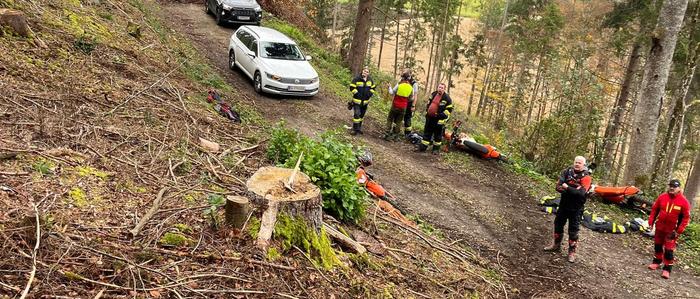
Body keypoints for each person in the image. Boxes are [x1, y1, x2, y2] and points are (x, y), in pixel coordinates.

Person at [544, 156, 592, 263]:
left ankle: (572, 252)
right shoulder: (567, 172)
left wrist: (567, 188)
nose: (577, 164)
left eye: (579, 163)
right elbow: (558, 187)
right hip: (563, 205)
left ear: (584, 165)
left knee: (573, 231)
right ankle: (556, 245)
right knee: (558, 224)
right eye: (576, 162)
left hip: (576, 208)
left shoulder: (586, 177)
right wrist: (573, 190)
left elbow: (581, 193)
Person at [647, 179, 691, 279]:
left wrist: (679, 230)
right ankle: (656, 262)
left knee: (668, 250)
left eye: (674, 186)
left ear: (679, 188)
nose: (672, 188)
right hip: (660, 227)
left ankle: (667, 269)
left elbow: (686, 218)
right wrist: (651, 222)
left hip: (672, 231)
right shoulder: (662, 197)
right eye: (670, 186)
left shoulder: (684, 202)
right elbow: (655, 209)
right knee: (657, 246)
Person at [418, 83, 453, 154]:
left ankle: (435, 150)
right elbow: (429, 103)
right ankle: (423, 147)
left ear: (444, 89)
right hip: (430, 118)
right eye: (439, 87)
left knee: (437, 136)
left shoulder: (447, 98)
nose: (440, 89)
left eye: (442, 88)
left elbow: (448, 110)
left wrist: (440, 115)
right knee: (427, 133)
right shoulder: (433, 94)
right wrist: (427, 112)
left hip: (439, 120)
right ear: (437, 87)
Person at [386, 72, 414, 141]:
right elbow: (411, 98)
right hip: (403, 107)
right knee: (399, 121)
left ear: (403, 78)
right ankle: (396, 136)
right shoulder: (411, 88)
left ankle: (387, 133)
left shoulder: (399, 85)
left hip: (395, 105)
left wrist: (389, 87)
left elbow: (391, 92)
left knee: (390, 119)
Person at [348, 67, 376, 135]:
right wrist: (357, 94)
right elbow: (352, 87)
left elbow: (373, 88)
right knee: (357, 114)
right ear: (362, 71)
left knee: (361, 116)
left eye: (367, 72)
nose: (365, 72)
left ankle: (358, 128)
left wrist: (369, 94)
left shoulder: (370, 80)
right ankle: (354, 130)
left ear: (368, 73)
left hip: (365, 102)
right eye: (364, 71)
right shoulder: (356, 78)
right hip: (357, 101)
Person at [402, 69, 420, 136]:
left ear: (410, 74)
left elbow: (415, 95)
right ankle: (395, 130)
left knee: (407, 118)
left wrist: (413, 105)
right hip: (402, 101)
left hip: (409, 102)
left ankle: (407, 134)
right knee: (399, 115)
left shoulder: (414, 83)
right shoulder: (403, 79)